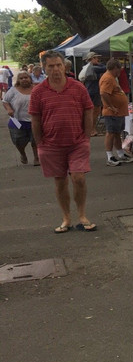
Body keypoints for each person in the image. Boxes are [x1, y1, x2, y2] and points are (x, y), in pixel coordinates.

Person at [29, 50, 96, 233]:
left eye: (58, 65)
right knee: (60, 181)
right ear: (44, 68)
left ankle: (82, 215)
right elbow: (35, 119)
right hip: (51, 145)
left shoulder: (77, 87)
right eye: (51, 66)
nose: (56, 69)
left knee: (78, 178)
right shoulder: (38, 92)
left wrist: (87, 136)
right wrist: (39, 143)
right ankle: (66, 218)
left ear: (64, 66)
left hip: (77, 142)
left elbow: (88, 110)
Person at [99, 59, 133, 166]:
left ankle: (120, 153)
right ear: (115, 68)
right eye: (119, 69)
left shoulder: (112, 78)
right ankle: (110, 156)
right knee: (111, 133)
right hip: (112, 112)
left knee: (117, 133)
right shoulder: (108, 78)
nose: (120, 72)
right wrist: (111, 106)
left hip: (117, 112)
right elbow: (104, 93)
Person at [4, 69, 39, 165]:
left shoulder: (36, 89)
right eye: (21, 78)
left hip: (34, 120)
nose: (24, 79)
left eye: (26, 77)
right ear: (18, 80)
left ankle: (36, 158)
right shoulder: (13, 90)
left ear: (30, 78)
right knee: (19, 141)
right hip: (17, 121)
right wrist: (9, 109)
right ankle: (23, 154)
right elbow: (5, 101)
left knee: (35, 141)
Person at [80, 54, 107, 134]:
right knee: (95, 110)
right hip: (94, 91)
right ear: (92, 58)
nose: (98, 59)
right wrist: (99, 64)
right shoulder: (93, 68)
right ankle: (91, 129)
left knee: (93, 110)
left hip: (90, 90)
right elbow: (105, 68)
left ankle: (91, 128)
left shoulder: (86, 68)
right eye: (96, 58)